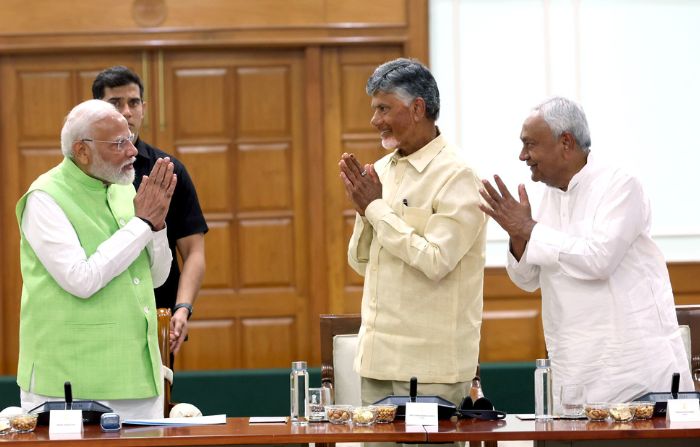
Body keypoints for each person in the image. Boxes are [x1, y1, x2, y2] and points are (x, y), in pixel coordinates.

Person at [478, 96, 693, 407]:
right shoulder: (539, 196)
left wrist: (529, 230)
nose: (522, 155)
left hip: (636, 371)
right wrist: (517, 235)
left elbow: (598, 260)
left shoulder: (620, 184)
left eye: (530, 145)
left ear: (565, 142)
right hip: (576, 371)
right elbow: (526, 280)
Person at [339, 58, 488, 409]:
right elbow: (363, 264)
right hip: (376, 362)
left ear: (417, 108)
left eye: (383, 108)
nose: (375, 120)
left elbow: (436, 261)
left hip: (431, 368)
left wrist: (376, 209)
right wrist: (365, 211)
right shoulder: (383, 170)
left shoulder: (458, 176)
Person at [16, 99, 177, 419]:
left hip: (138, 376)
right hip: (70, 381)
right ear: (82, 150)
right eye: (119, 143)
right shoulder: (45, 197)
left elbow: (156, 278)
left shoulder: (125, 188)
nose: (133, 151)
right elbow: (81, 279)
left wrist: (157, 228)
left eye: (130, 138)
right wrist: (142, 224)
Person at [92, 66, 208, 356]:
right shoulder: (86, 172)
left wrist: (182, 309)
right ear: (97, 111)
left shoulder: (167, 170)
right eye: (115, 103)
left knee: (161, 401)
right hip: (97, 316)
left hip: (156, 316)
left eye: (133, 102)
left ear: (143, 108)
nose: (127, 112)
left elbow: (193, 250)